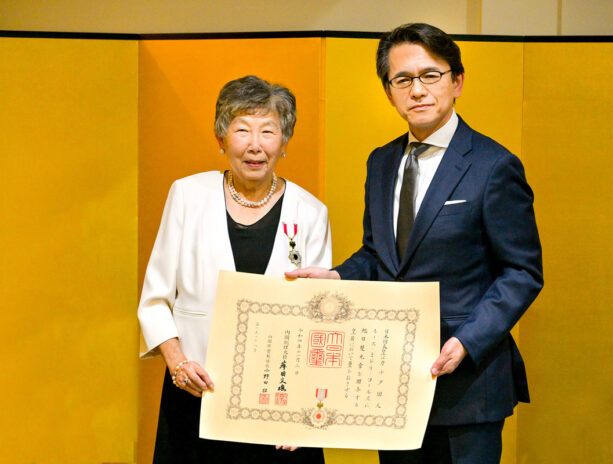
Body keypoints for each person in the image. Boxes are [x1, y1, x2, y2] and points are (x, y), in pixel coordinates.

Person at [286, 23, 543, 464]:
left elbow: (522, 272)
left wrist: (467, 340)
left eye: (431, 75)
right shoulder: (381, 161)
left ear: (456, 81)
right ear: (389, 92)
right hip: (392, 381)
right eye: (403, 80)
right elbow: (378, 255)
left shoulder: (494, 165)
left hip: (466, 384)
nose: (418, 90)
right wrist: (336, 276)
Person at [138, 75, 330, 464]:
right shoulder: (187, 196)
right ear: (221, 138)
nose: (255, 145)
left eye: (268, 131)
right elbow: (155, 300)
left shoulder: (311, 212)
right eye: (242, 130)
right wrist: (178, 365)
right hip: (196, 392)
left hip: (279, 407)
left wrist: (308, 411)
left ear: (285, 142)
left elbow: (320, 321)